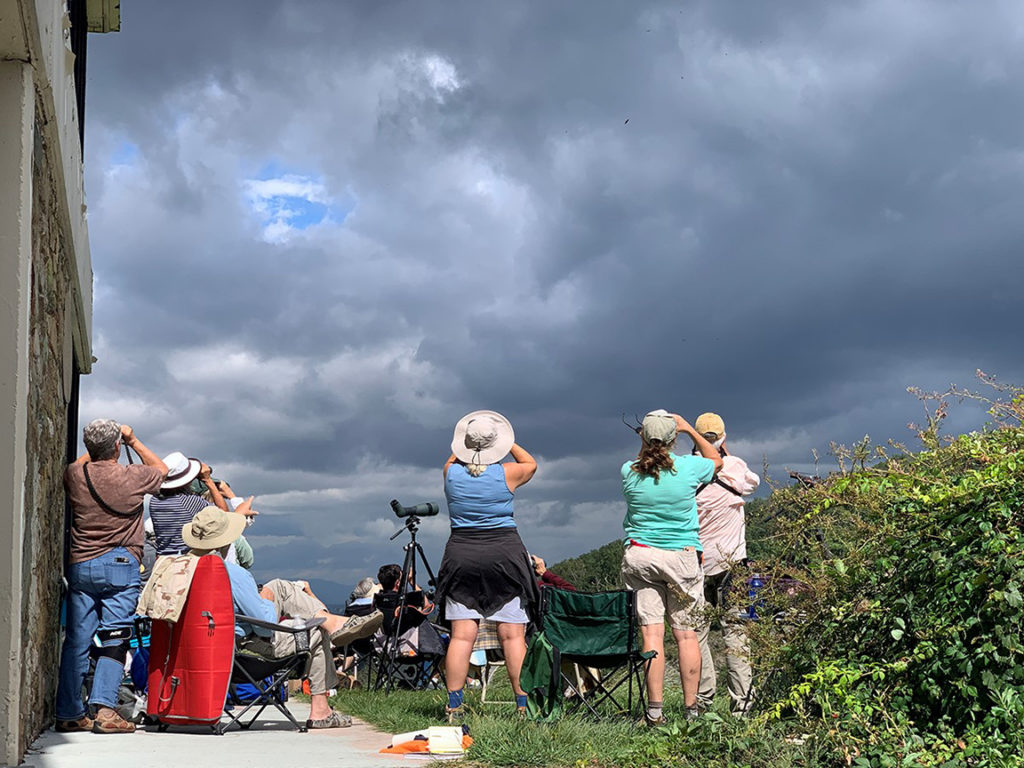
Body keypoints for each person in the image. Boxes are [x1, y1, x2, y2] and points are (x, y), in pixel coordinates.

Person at [181, 507, 379, 728]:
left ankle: (334, 623)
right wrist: (264, 599)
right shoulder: (231, 574)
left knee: (277, 586)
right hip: (241, 651)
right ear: (226, 540)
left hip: (193, 652)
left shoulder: (179, 571)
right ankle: (321, 709)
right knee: (315, 629)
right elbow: (266, 628)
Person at [55, 420, 168, 734]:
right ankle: (105, 711)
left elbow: (75, 464)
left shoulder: (77, 474)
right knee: (115, 636)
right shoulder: (131, 476)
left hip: (81, 564)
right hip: (121, 562)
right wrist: (133, 440)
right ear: (117, 446)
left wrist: (93, 450)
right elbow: (162, 470)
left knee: (76, 640)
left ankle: (69, 713)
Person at [620, 409, 723, 725]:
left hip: (641, 556)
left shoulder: (628, 471)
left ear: (642, 437)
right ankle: (691, 711)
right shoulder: (689, 468)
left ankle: (655, 712)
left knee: (652, 635)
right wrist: (690, 429)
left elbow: (645, 458)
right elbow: (716, 460)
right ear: (673, 438)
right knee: (686, 635)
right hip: (680, 557)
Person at [436, 410, 540, 720]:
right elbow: (531, 463)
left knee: (462, 637)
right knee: (513, 636)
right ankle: (523, 707)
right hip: (504, 555)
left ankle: (454, 706)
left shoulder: (449, 473)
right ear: (498, 445)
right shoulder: (508, 473)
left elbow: (454, 459)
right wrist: (506, 441)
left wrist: (469, 444)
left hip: (461, 554)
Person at [693, 412, 761, 716]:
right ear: (723, 438)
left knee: (696, 635)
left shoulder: (686, 470)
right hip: (733, 566)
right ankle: (742, 707)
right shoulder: (735, 467)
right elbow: (754, 483)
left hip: (695, 566)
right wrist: (726, 456)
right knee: (736, 636)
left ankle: (702, 700)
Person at [147, 451, 256, 555]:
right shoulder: (187, 502)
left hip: (163, 559)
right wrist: (208, 480)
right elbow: (222, 517)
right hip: (184, 560)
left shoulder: (154, 501)